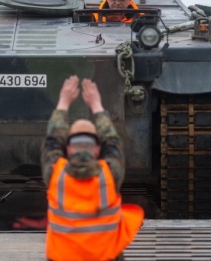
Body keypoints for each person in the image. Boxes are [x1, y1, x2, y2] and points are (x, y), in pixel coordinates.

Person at [41, 75, 144, 261]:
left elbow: (52, 141)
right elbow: (113, 143)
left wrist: (63, 102)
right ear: (97, 150)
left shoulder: (56, 174)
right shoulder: (109, 174)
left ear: (68, 149)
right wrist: (97, 106)